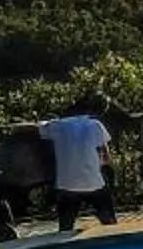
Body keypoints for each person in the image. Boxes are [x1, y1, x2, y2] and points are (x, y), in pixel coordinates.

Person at [37, 96, 115, 232]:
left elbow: (38, 128)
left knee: (66, 226)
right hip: (93, 182)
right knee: (109, 222)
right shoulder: (95, 125)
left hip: (67, 183)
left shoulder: (57, 126)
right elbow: (105, 156)